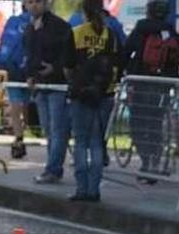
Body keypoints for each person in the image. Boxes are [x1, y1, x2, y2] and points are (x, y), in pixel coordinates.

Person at [123, 0, 179, 183]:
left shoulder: (140, 30)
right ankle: (155, 161)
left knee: (138, 124)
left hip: (139, 85)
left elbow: (124, 53)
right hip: (162, 87)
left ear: (148, 12)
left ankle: (146, 162)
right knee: (155, 123)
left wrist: (124, 74)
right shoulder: (171, 33)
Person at [67, 0, 121, 201]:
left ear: (84, 11)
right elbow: (119, 63)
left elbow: (68, 64)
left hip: (81, 94)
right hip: (104, 94)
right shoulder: (111, 35)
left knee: (81, 141)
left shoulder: (77, 33)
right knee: (97, 142)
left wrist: (75, 83)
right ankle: (94, 189)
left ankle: (82, 188)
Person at [25, 0, 75, 185]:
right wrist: (30, 75)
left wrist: (54, 68)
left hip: (57, 85)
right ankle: (52, 167)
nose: (33, 6)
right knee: (48, 129)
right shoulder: (30, 27)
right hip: (40, 86)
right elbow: (29, 55)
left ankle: (53, 169)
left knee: (58, 130)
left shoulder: (60, 26)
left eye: (37, 2)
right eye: (30, 2)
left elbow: (68, 55)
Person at [0, 4, 32, 159]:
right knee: (27, 104)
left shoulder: (13, 21)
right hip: (30, 71)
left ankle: (19, 138)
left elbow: (4, 45)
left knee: (16, 104)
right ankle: (25, 130)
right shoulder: (37, 21)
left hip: (11, 69)